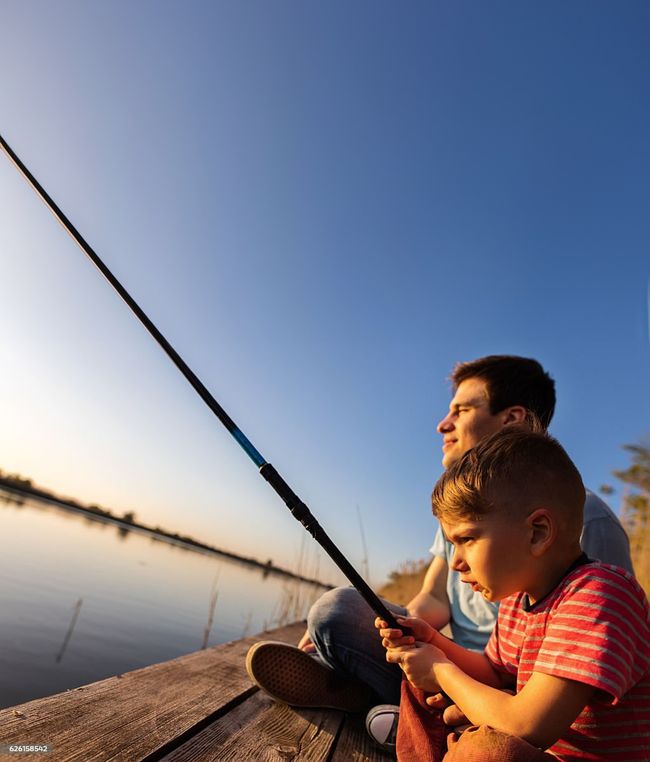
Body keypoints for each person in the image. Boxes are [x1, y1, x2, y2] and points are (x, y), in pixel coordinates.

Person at [245, 356, 633, 715]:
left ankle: (374, 699)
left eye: (462, 410)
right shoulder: (459, 513)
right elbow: (434, 596)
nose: (442, 424)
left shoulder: (587, 520)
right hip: (465, 665)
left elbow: (593, 660)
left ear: (511, 418)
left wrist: (474, 693)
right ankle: (365, 690)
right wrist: (394, 635)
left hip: (527, 696)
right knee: (338, 612)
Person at [376, 426, 649, 761]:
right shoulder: (516, 602)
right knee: (420, 680)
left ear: (538, 533)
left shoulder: (598, 594)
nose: (456, 562)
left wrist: (440, 670)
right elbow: (494, 672)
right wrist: (434, 643)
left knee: (488, 752)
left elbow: (527, 726)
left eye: (468, 539)